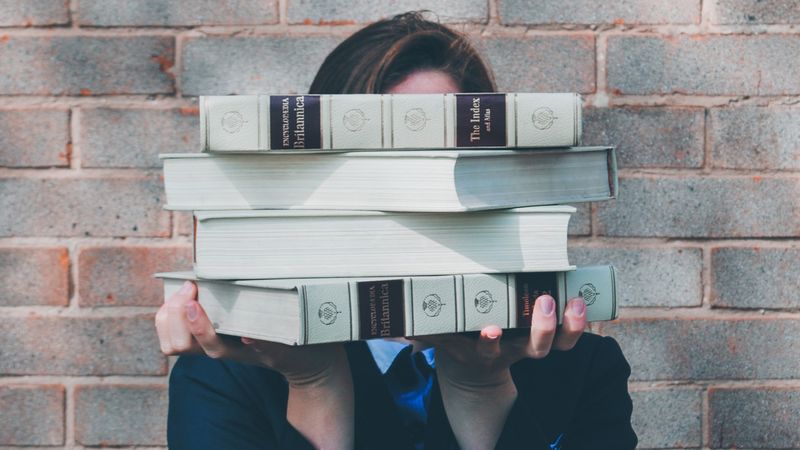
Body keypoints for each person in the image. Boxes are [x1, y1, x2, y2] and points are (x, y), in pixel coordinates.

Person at [156, 11, 638, 450]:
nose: (422, 199)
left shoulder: (581, 368)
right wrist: (316, 385)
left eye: (445, 163)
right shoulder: (233, 373)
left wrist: (483, 390)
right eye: (385, 165)